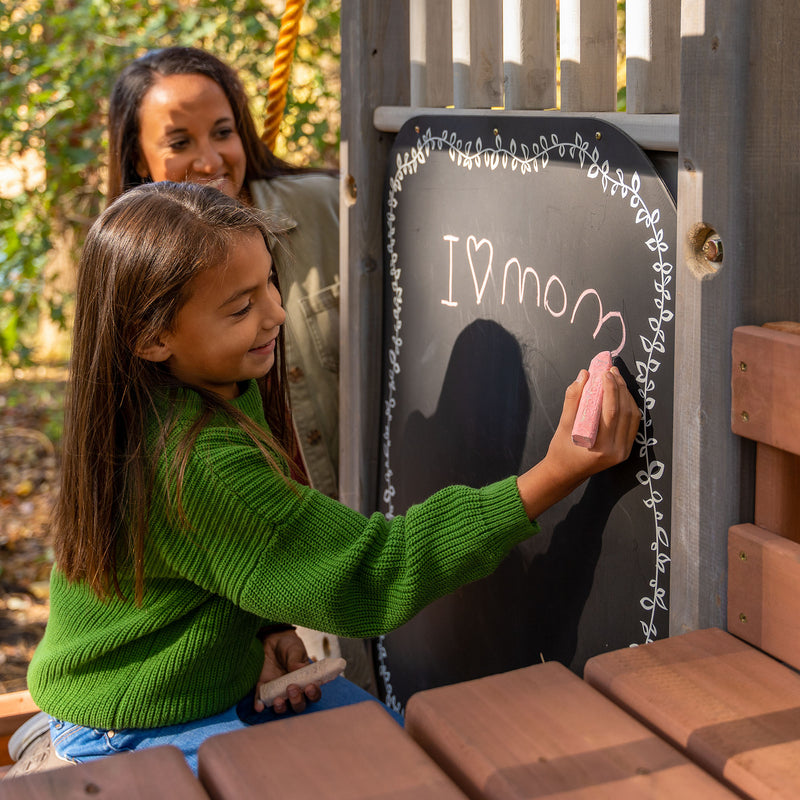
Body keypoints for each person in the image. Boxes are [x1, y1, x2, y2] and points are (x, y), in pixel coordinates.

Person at [26, 182, 640, 774]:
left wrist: (263, 628)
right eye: (240, 307)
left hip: (174, 684)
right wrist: (556, 474)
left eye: (269, 280)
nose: (275, 312)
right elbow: (371, 573)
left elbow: (211, 562)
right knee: (401, 776)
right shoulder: (199, 459)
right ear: (153, 338)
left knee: (392, 750)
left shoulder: (177, 390)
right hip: (137, 724)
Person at [106, 45, 347, 686]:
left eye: (223, 131)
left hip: (350, 525)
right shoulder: (135, 274)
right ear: (138, 159)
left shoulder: (329, 208)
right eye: (180, 140)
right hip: (258, 560)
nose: (211, 160)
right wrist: (261, 621)